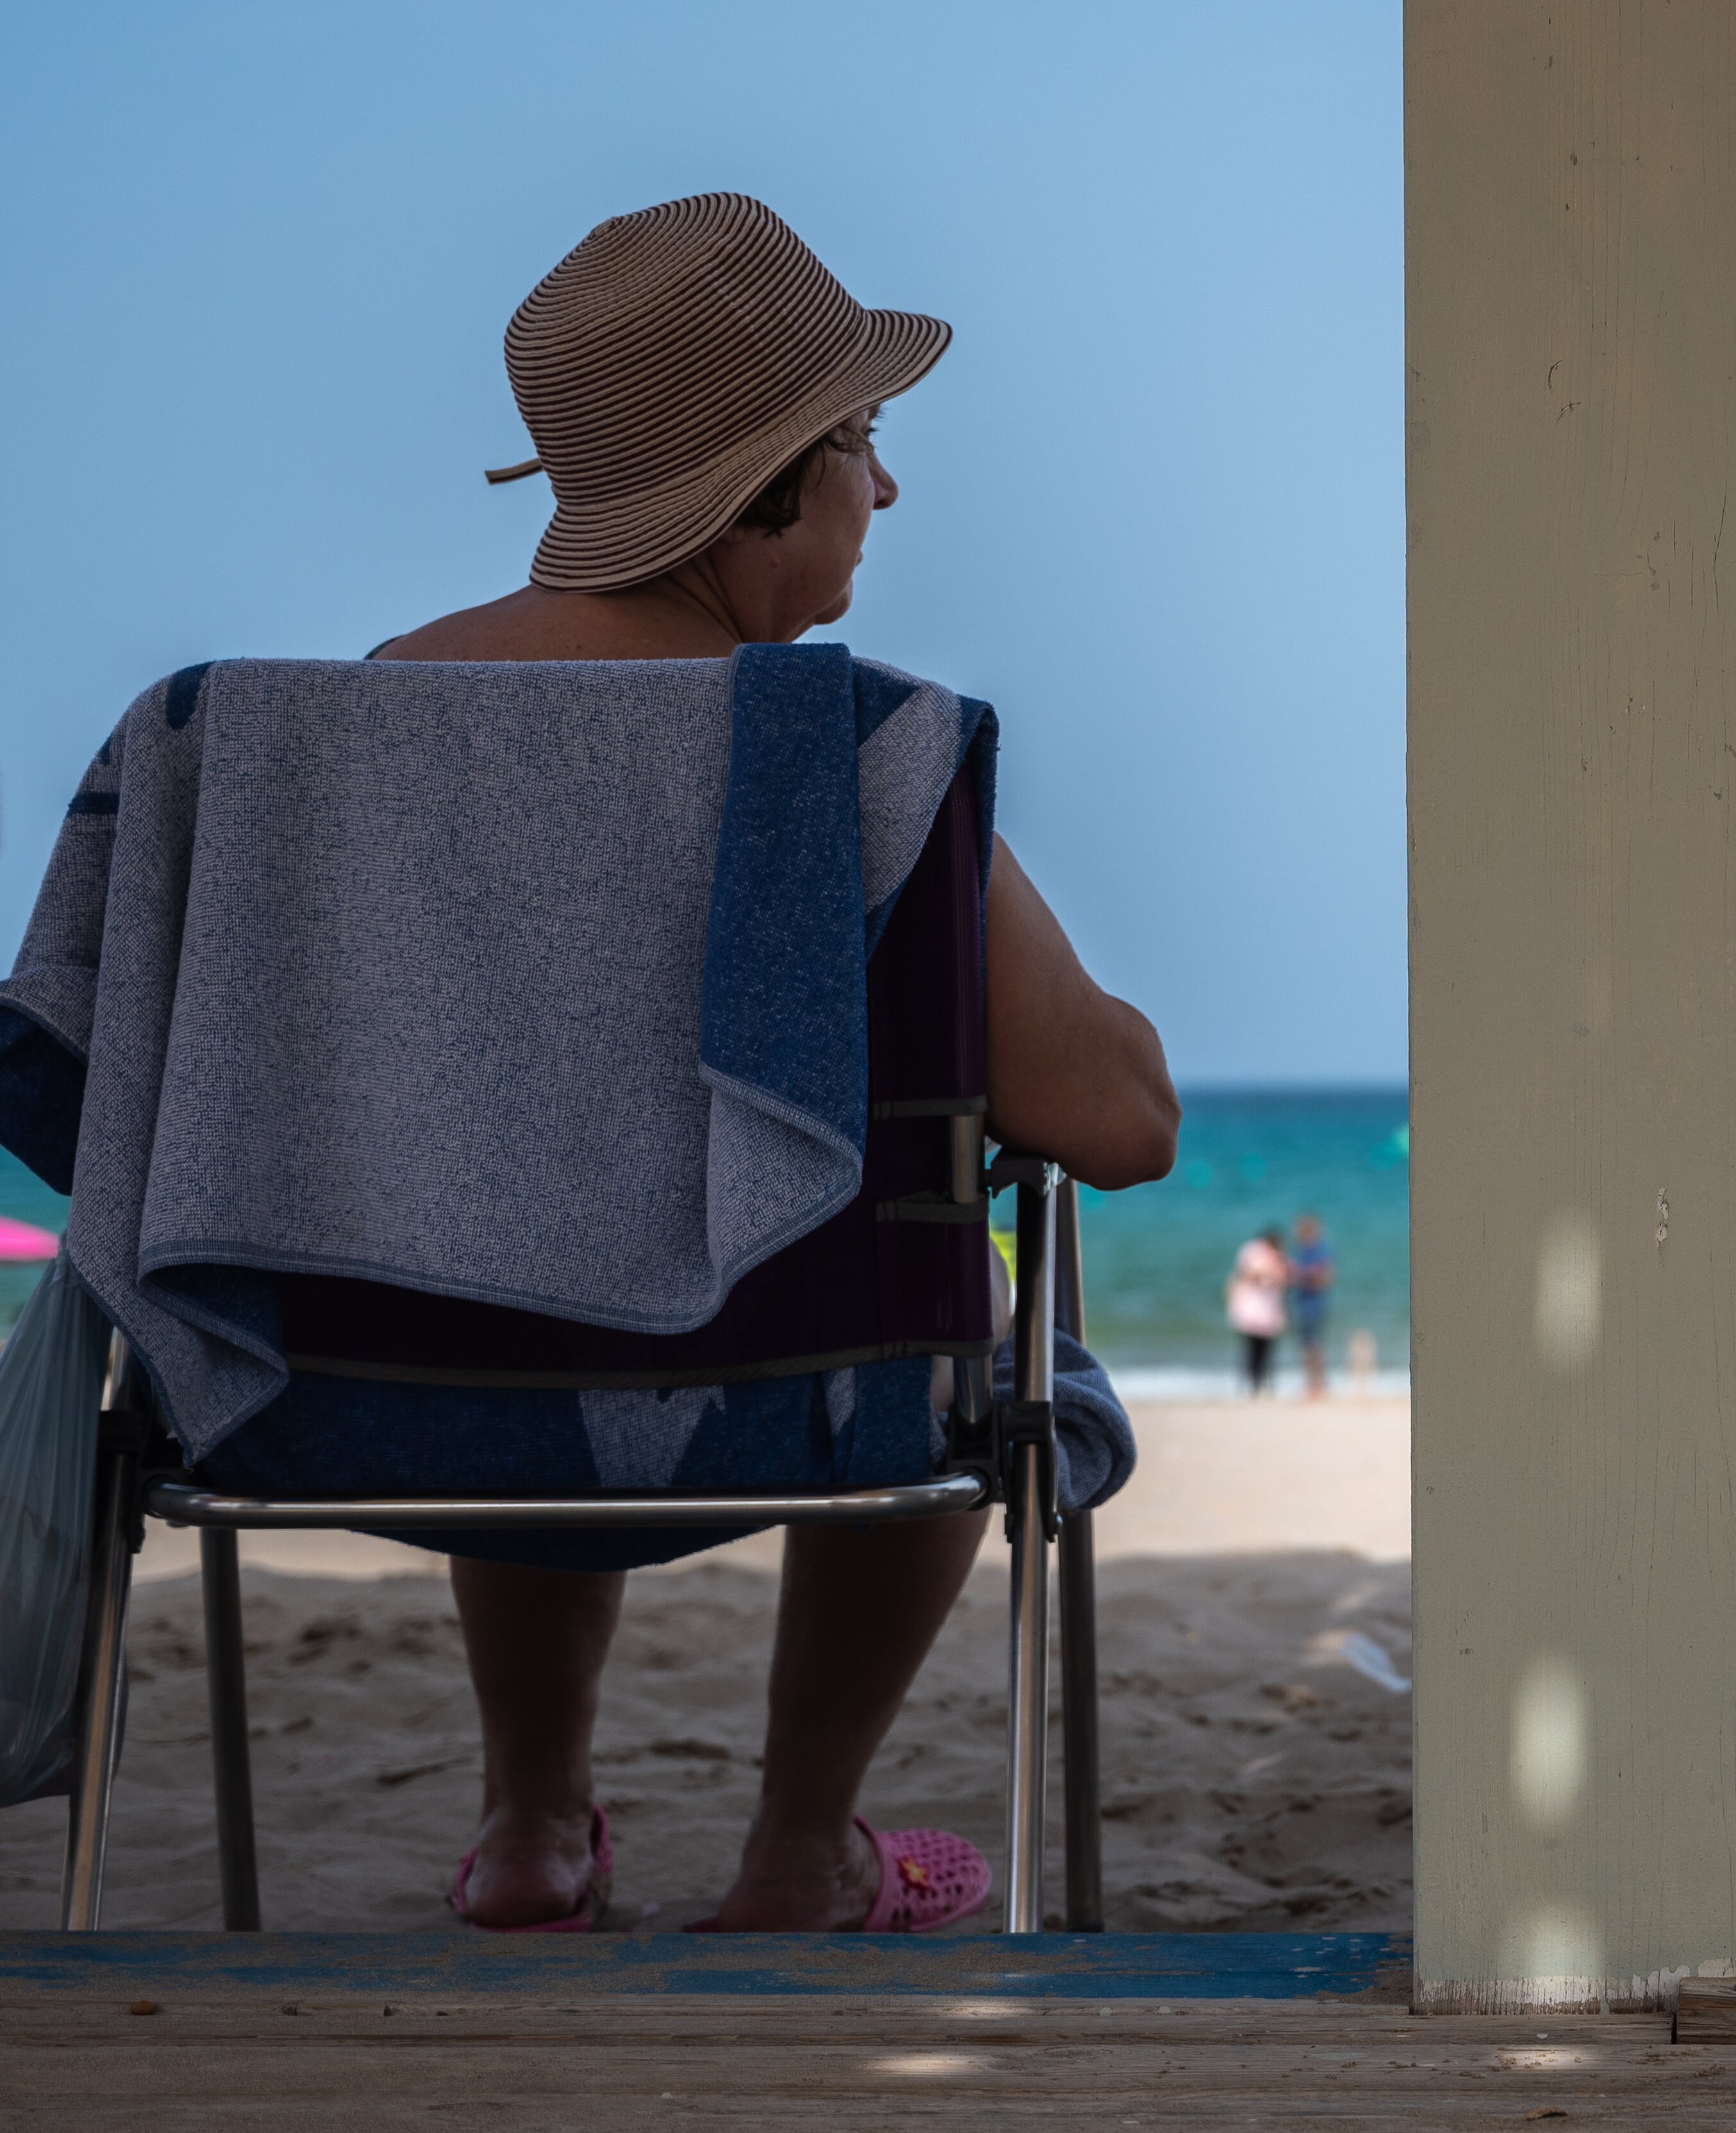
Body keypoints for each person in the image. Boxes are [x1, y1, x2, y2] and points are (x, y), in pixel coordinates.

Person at [380, 196, 1180, 1931]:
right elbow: (1117, 1125)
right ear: (760, 489)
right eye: (862, 444)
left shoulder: (368, 723)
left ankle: (529, 1827)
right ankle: (801, 1842)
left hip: (411, 1393)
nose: (882, 492)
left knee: (527, 1263)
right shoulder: (852, 757)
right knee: (935, 1303)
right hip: (815, 1401)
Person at [1228, 1226, 1291, 1395]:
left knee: (1266, 1350)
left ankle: (1264, 1384)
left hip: (1268, 1312)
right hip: (1252, 1311)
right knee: (1252, 1349)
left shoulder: (1278, 1257)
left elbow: (1283, 1281)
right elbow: (1247, 1275)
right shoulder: (1253, 1253)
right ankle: (1253, 1385)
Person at [1288, 1212, 1335, 1398]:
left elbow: (1325, 1277)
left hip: (1316, 1304)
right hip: (1302, 1303)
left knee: (1316, 1345)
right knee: (1305, 1346)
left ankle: (1319, 1384)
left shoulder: (1321, 1249)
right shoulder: (1300, 1251)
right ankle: (1310, 1383)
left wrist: (1301, 1274)